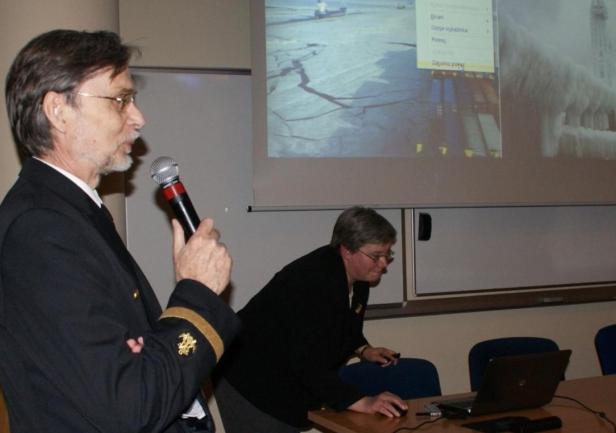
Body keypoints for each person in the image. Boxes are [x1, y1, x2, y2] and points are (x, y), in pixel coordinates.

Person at [0, 29, 240, 433]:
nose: (138, 118)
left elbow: (123, 370)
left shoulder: (72, 212)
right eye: (120, 100)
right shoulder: (41, 230)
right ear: (58, 110)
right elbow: (131, 404)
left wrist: (146, 349)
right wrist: (198, 292)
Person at [215, 206, 408, 433]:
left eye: (387, 254)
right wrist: (362, 402)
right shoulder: (313, 282)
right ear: (347, 250)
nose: (383, 264)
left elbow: (345, 326)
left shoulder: (359, 278)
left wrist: (364, 349)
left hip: (284, 374)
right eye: (376, 256)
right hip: (251, 379)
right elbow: (307, 361)